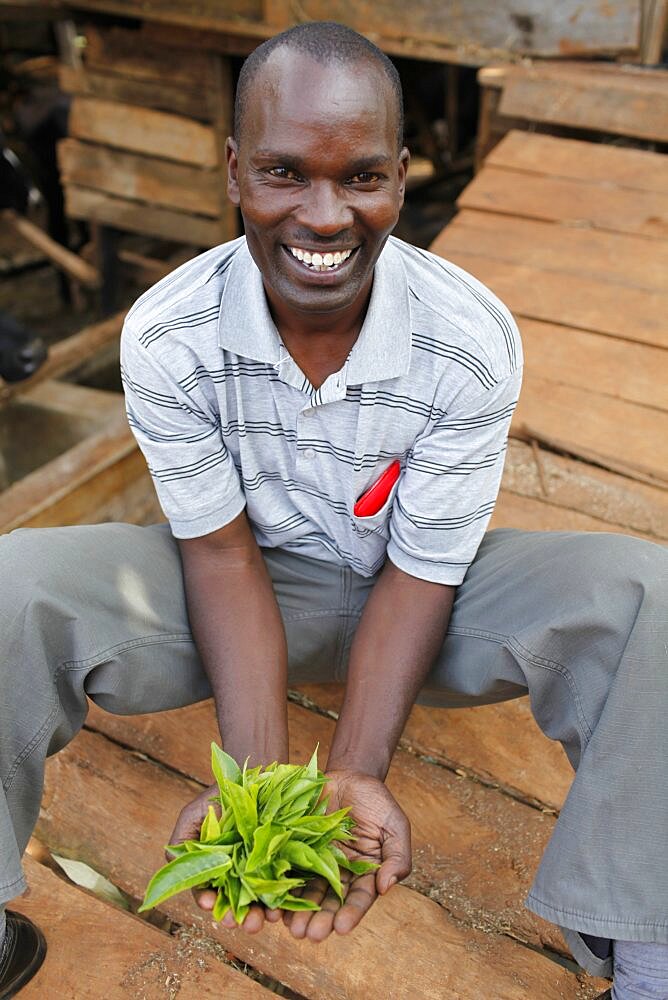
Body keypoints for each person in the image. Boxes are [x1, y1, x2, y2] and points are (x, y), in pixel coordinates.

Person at [0, 22, 666, 1000]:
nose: (322, 216)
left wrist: (353, 771)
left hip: (421, 597)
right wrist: (260, 786)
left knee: (650, 595)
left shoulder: (466, 337)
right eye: (282, 173)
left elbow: (424, 567)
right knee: (11, 581)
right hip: (236, 583)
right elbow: (221, 557)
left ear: (401, 176)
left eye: (359, 177)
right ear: (232, 172)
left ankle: (638, 941)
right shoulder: (169, 335)